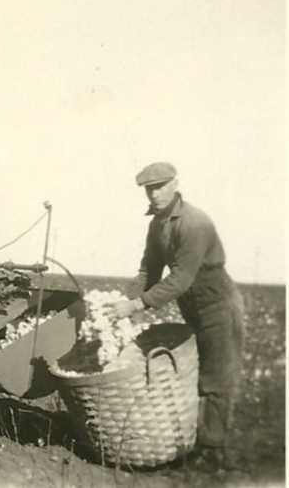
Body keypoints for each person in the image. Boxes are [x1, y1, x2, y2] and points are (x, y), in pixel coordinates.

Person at [109, 161, 245, 469]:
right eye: (148, 189)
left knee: (217, 378)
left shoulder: (194, 223)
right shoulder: (157, 225)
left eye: (159, 187)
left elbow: (181, 278)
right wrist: (123, 300)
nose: (154, 194)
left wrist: (135, 306)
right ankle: (194, 445)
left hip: (217, 302)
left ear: (174, 184)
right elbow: (149, 270)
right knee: (195, 373)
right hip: (193, 304)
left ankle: (212, 453)